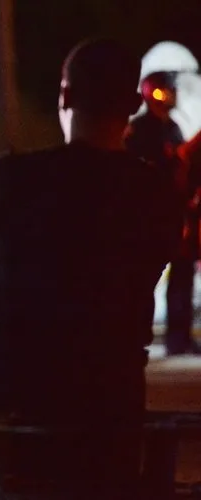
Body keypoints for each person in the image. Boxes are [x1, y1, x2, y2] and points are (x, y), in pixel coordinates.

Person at [0, 39, 183, 500]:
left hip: (0, 425)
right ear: (132, 105)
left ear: (64, 97)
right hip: (105, 427)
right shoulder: (153, 194)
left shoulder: (4, 178)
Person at [124, 71, 201, 356]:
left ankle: (178, 337)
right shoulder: (141, 130)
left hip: (175, 212)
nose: (169, 96)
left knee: (182, 277)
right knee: (140, 279)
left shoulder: (174, 129)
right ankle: (132, 336)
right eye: (163, 91)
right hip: (146, 215)